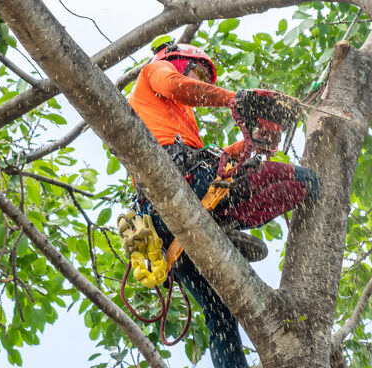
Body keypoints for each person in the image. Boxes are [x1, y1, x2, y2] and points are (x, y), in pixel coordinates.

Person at [126, 36, 319, 368]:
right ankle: (223, 222)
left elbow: (217, 161)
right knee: (305, 180)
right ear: (179, 60)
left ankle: (222, 224)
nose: (200, 82)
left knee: (221, 318)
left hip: (175, 224)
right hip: (181, 186)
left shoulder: (179, 122)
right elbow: (177, 86)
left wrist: (250, 143)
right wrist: (237, 100)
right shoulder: (155, 72)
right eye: (198, 72)